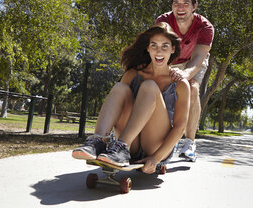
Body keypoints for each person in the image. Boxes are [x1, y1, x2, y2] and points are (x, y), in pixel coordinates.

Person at [72, 22, 190, 174]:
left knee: (149, 87)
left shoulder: (180, 83)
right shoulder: (133, 74)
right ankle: (98, 141)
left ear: (173, 49)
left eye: (165, 46)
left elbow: (180, 127)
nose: (159, 51)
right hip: (130, 146)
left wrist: (156, 158)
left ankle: (121, 146)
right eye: (154, 45)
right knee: (119, 88)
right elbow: (116, 107)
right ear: (148, 48)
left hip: (156, 147)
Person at [155, 0, 214, 160]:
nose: (180, 7)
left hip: (193, 60)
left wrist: (185, 75)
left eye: (186, 3)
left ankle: (189, 142)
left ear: (194, 6)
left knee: (192, 87)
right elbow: (160, 50)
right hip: (171, 60)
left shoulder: (205, 27)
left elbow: (198, 59)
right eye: (176, 3)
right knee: (157, 89)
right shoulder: (163, 21)